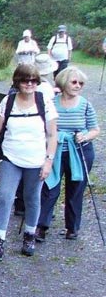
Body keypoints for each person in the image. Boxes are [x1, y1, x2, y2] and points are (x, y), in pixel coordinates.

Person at [0, 63, 58, 262]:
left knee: (32, 197)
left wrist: (48, 161)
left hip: (36, 159)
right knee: (5, 196)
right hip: (11, 157)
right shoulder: (9, 101)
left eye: (33, 80)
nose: (29, 84)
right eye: (25, 80)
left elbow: (52, 135)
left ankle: (29, 236)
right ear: (17, 81)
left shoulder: (45, 102)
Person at [36, 66, 100, 241]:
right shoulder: (51, 103)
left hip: (80, 151)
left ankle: (72, 228)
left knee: (76, 190)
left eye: (81, 83)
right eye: (74, 82)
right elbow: (43, 127)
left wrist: (85, 135)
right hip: (54, 151)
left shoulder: (85, 105)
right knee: (49, 188)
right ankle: (40, 227)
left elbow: (95, 130)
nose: (78, 85)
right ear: (64, 83)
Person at [13, 53, 59, 216]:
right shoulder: (46, 88)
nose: (30, 83)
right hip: (40, 133)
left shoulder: (21, 86)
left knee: (22, 172)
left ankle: (20, 204)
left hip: (24, 137)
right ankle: (37, 209)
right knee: (38, 174)